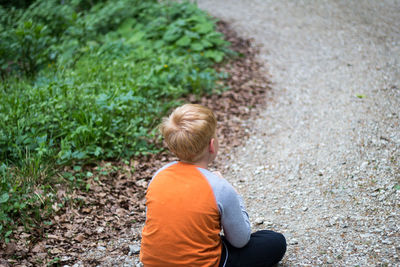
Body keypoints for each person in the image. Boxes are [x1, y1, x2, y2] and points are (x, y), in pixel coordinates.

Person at [140, 104, 286, 266]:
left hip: (152, 263)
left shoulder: (158, 175)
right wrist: (235, 195)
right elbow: (240, 240)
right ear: (212, 145)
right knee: (274, 241)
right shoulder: (219, 188)